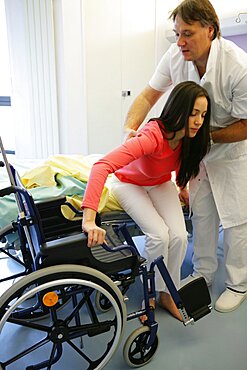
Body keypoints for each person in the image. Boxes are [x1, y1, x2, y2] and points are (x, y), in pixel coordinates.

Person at [123, 0, 247, 313]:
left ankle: (237, 284)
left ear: (211, 30)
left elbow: (246, 124)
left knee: (235, 221)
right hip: (198, 154)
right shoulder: (176, 56)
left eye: (187, 34)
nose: (180, 42)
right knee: (202, 214)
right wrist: (130, 129)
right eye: (177, 33)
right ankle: (203, 273)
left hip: (233, 154)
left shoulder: (238, 67)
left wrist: (204, 136)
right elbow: (149, 94)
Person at [82, 81, 211, 321]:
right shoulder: (153, 136)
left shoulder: (189, 138)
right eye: (193, 113)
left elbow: (179, 166)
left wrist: (181, 188)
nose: (198, 121)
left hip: (159, 182)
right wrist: (89, 219)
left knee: (180, 236)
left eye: (203, 115)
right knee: (159, 235)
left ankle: (167, 292)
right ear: (178, 110)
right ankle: (149, 292)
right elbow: (102, 166)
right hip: (128, 183)